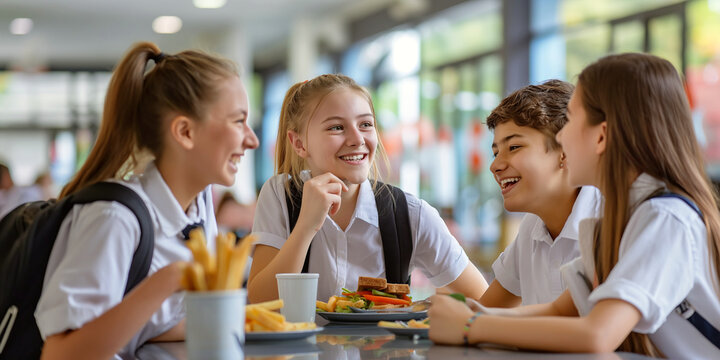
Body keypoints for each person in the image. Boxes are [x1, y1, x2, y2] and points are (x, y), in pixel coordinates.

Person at [428, 53, 720, 358]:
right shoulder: (619, 222)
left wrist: (471, 326)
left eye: (572, 119)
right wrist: (473, 315)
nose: (562, 135)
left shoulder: (664, 218)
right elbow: (559, 310)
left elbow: (597, 334)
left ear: (601, 136)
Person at [35, 41, 259, 359]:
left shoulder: (199, 207)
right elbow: (60, 354)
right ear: (185, 132)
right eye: (238, 121)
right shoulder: (113, 218)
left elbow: (148, 327)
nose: (252, 139)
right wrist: (167, 281)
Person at [248, 74, 488, 303]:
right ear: (299, 143)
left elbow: (485, 300)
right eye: (336, 128)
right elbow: (261, 301)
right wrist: (305, 227)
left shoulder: (409, 213)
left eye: (365, 124)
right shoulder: (281, 195)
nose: (357, 139)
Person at [481, 80, 601, 307]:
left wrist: (470, 323)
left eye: (514, 147)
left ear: (565, 152)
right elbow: (486, 309)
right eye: (496, 152)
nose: (495, 165)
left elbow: (589, 334)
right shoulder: (532, 228)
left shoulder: (609, 221)